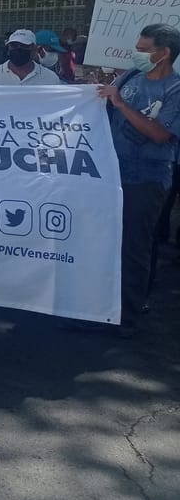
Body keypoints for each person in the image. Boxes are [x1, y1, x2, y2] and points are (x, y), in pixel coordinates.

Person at [98, 24, 180, 336]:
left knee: (135, 246)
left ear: (164, 53)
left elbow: (160, 135)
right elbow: (108, 101)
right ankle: (102, 307)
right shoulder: (130, 77)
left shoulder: (175, 90)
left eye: (144, 49)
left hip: (147, 179)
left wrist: (120, 103)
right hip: (113, 172)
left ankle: (127, 316)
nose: (138, 54)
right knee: (108, 243)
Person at [0, 30, 67, 86]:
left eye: (24, 46)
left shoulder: (50, 78)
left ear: (34, 49)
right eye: (14, 45)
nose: (18, 49)